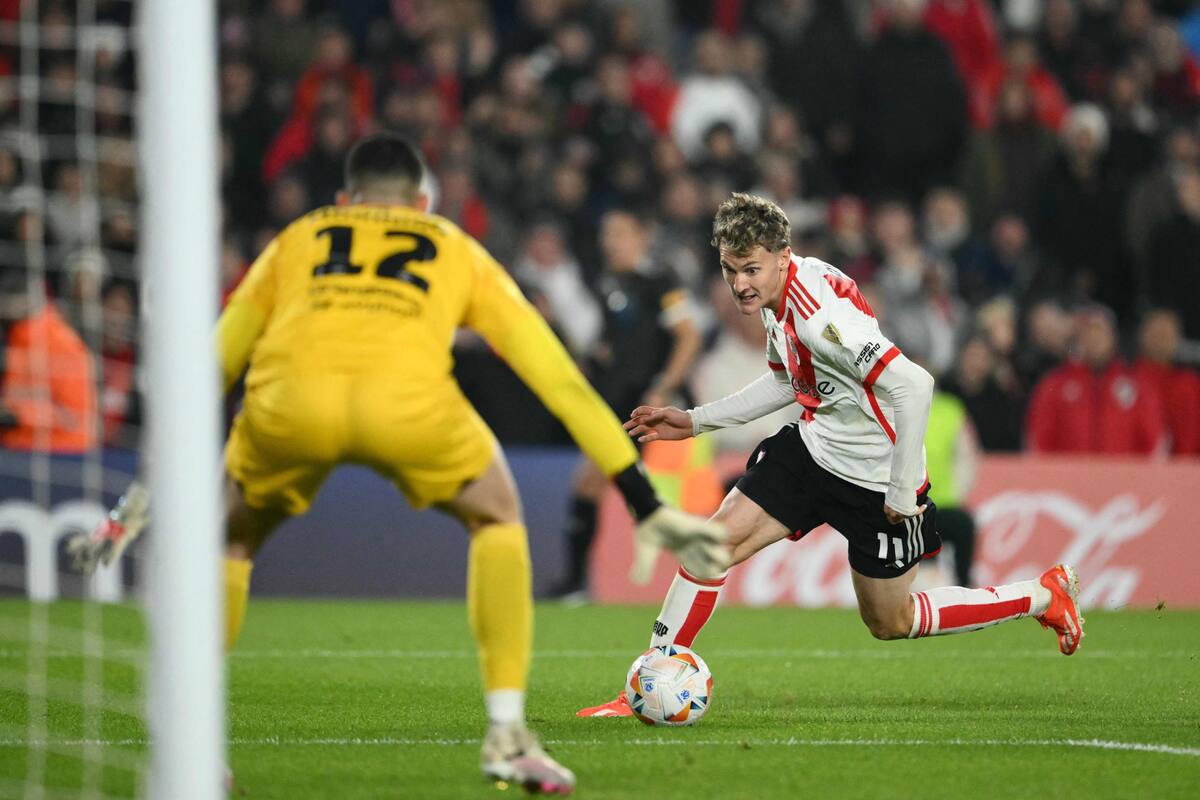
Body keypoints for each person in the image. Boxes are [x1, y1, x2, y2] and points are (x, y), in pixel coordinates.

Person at [70, 134, 727, 793]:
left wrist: (139, 499)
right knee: (497, 515)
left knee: (233, 539)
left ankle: (192, 747)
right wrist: (644, 502)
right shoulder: (452, 245)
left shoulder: (299, 238)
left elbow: (209, 366)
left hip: (289, 404)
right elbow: (559, 380)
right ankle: (505, 733)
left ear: (341, 200)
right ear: (420, 201)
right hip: (407, 408)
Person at [578, 193, 1084, 719]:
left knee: (891, 621)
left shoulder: (821, 316)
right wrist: (697, 419)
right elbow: (785, 381)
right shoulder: (780, 298)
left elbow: (915, 386)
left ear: (782, 256)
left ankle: (1042, 596)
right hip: (813, 448)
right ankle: (649, 681)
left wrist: (902, 488)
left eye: (751, 269)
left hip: (875, 477)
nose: (740, 284)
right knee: (710, 546)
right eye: (730, 270)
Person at [549, 208, 703, 601]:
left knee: (605, 485)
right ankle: (575, 583)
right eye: (607, 233)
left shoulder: (659, 282)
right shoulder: (606, 285)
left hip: (646, 408)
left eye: (620, 232)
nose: (611, 241)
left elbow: (688, 336)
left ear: (640, 237)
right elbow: (614, 343)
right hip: (615, 404)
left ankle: (575, 584)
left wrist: (663, 387)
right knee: (595, 484)